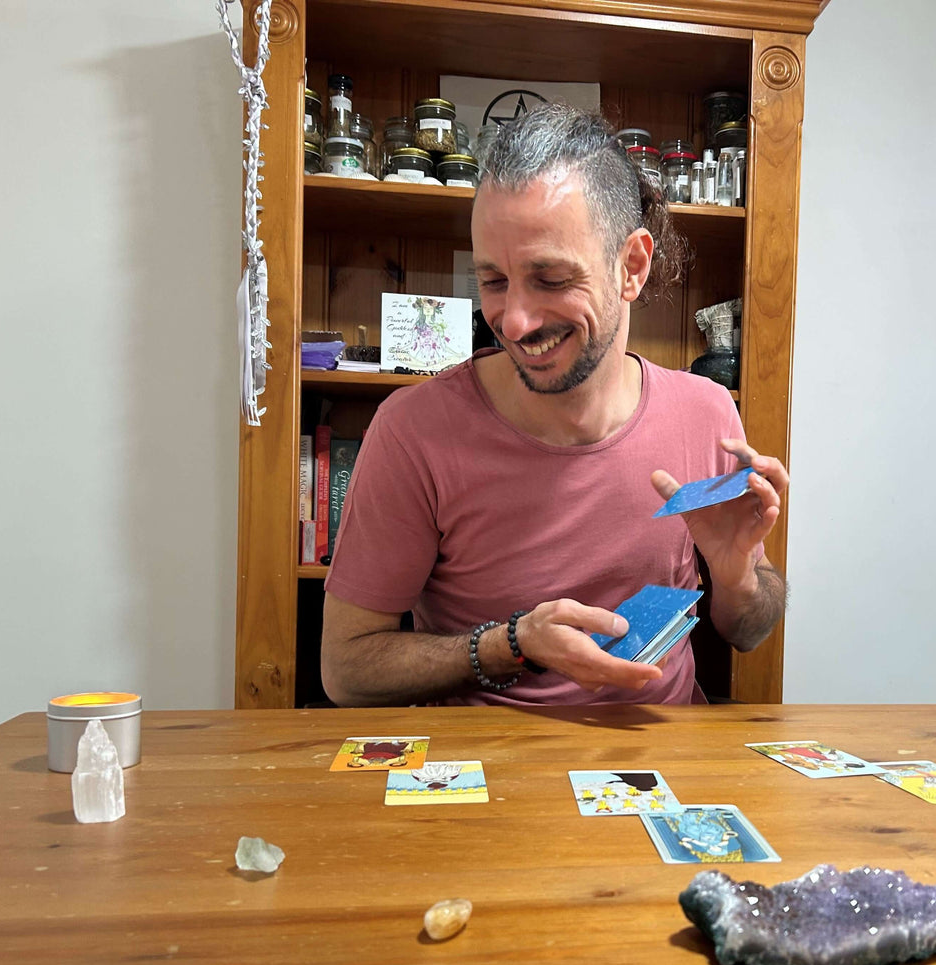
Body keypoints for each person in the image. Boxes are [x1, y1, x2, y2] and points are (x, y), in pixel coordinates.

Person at [321, 104, 788, 707]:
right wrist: (511, 644)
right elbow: (347, 668)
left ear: (632, 268)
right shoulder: (414, 430)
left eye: (550, 278)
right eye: (493, 280)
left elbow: (749, 632)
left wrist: (737, 576)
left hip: (663, 773)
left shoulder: (708, 414)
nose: (512, 321)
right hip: (488, 778)